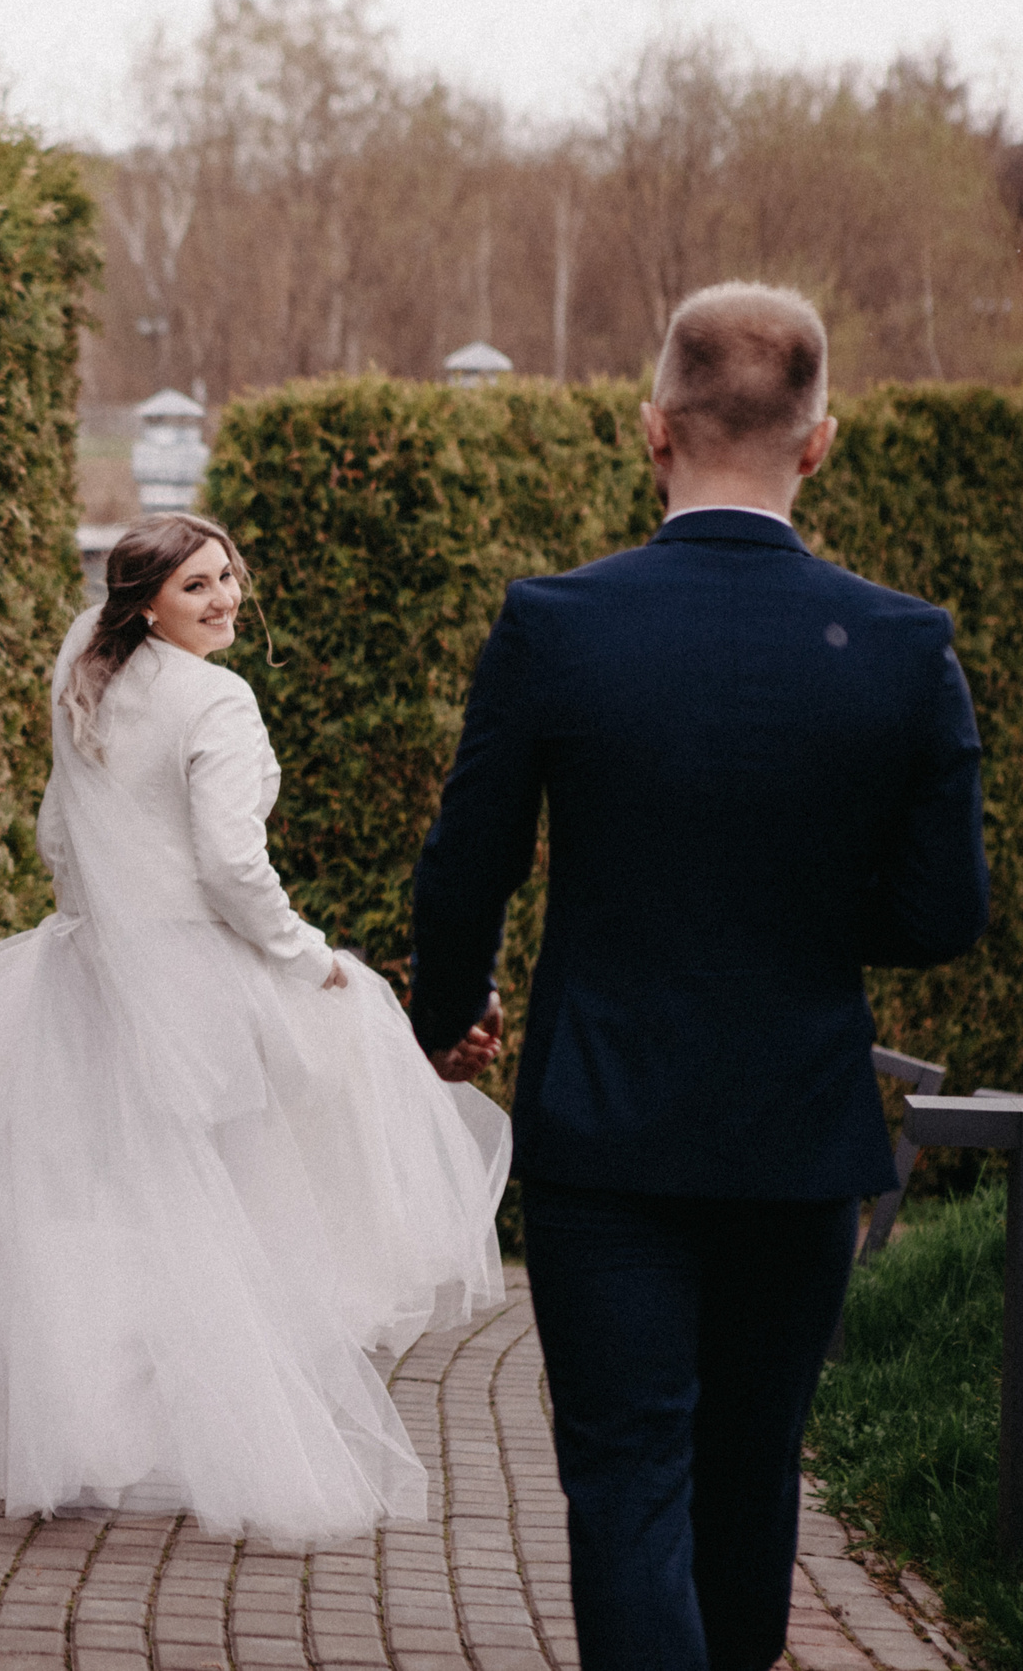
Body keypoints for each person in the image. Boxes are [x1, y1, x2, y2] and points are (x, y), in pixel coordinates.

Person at [408, 282, 990, 1671]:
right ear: (820, 441)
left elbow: (465, 858)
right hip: (796, 1132)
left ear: (650, 428)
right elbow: (939, 913)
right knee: (750, 1471)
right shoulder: (907, 645)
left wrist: (449, 1012)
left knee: (626, 1483)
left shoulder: (555, 623)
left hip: (605, 1130)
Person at [0, 510, 511, 1546]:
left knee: (95, 1208)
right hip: (195, 983)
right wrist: (309, 960)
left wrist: (94, 918)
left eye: (228, 576)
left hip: (85, 975)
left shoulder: (87, 668)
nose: (225, 599)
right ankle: (227, 1437)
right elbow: (229, 863)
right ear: (146, 603)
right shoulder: (218, 698)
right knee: (240, 1205)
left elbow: (54, 827)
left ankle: (78, 1433)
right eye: (197, 586)